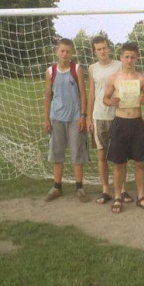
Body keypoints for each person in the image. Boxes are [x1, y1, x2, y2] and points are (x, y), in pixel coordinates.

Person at [103, 42, 144, 214]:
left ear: (137, 58)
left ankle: (141, 197)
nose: (129, 60)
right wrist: (110, 102)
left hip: (137, 123)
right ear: (121, 58)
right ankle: (118, 197)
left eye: (133, 57)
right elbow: (105, 98)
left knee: (139, 163)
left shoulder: (141, 78)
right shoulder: (114, 78)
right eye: (126, 56)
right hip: (120, 122)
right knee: (119, 164)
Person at [43, 38, 90, 202]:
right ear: (57, 51)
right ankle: (57, 187)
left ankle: (79, 188)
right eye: (62, 51)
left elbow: (83, 94)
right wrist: (46, 118)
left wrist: (83, 116)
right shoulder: (50, 71)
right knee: (57, 153)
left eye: (68, 51)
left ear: (72, 53)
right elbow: (48, 95)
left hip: (75, 118)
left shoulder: (76, 69)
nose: (65, 54)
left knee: (77, 153)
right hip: (56, 118)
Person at [86, 36, 132, 204]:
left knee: (121, 155)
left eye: (104, 48)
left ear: (109, 48)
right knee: (101, 155)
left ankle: (123, 189)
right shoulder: (92, 69)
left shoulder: (119, 65)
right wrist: (89, 117)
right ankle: (105, 189)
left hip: (119, 116)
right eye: (99, 49)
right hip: (99, 116)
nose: (102, 51)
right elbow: (91, 94)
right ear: (94, 51)